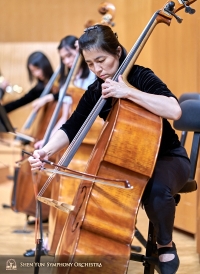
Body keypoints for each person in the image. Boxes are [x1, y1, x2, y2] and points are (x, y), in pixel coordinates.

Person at [28, 24, 190, 274]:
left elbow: (174, 109)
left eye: (101, 60)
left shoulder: (140, 76)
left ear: (117, 52)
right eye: (90, 64)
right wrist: (46, 151)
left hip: (168, 158)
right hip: (127, 164)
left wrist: (128, 92)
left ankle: (165, 244)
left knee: (156, 189)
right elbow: (72, 127)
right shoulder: (97, 91)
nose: (97, 69)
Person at [33, 35, 96, 148]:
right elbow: (65, 117)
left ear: (79, 52)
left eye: (69, 55)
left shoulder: (94, 74)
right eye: (63, 58)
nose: (66, 61)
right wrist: (48, 141)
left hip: (93, 132)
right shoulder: (68, 82)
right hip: (73, 132)